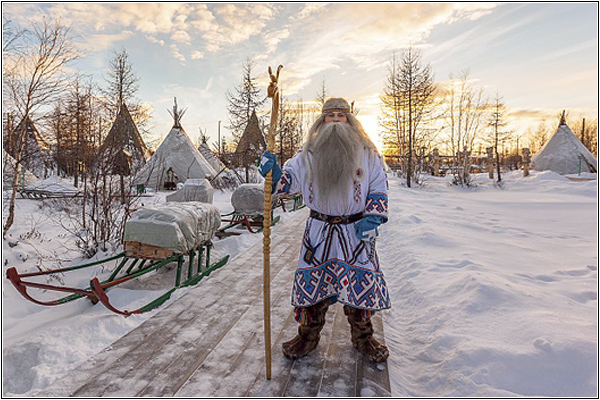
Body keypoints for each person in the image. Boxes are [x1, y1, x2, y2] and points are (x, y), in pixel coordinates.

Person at [259, 97, 391, 363]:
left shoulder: (367, 152)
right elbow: (287, 184)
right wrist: (273, 172)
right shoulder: (307, 154)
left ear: (349, 120)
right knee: (313, 288)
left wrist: (373, 218)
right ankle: (306, 337)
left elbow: (378, 185)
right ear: (321, 120)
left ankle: (364, 338)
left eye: (340, 115)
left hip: (355, 232)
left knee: (359, 287)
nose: (334, 120)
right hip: (319, 233)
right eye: (329, 115)